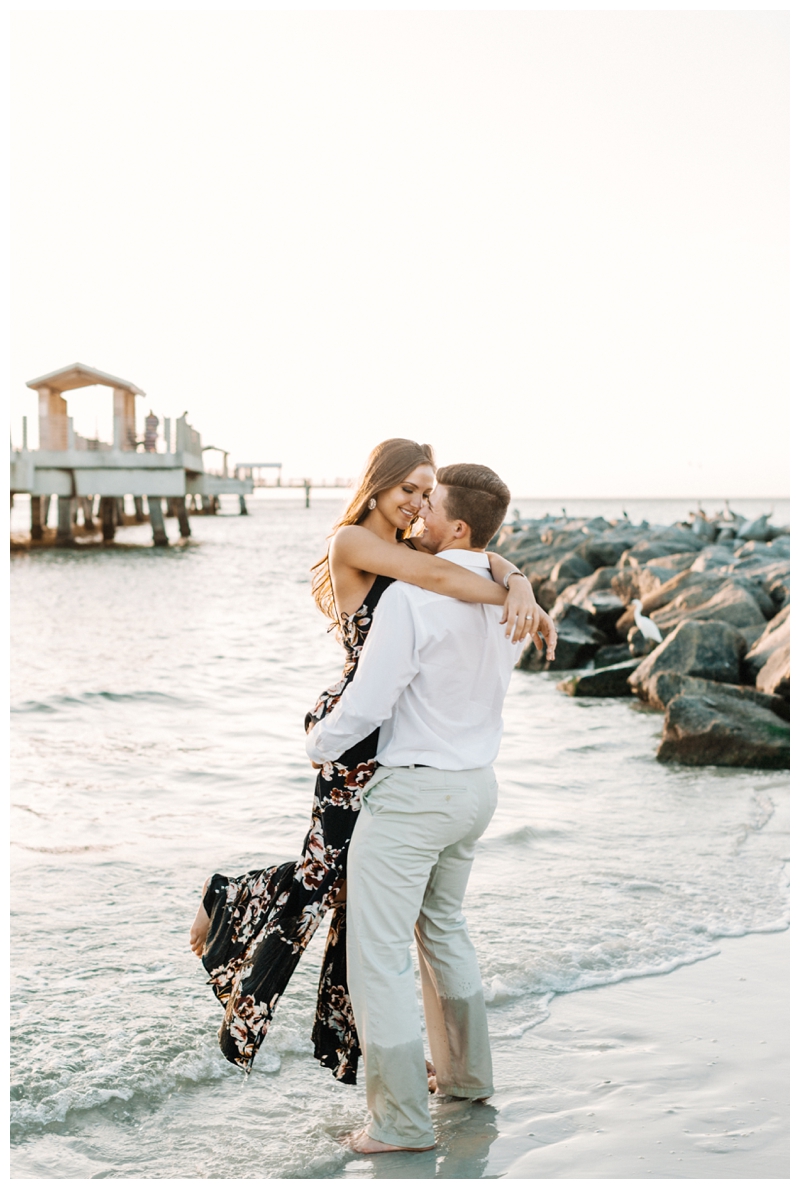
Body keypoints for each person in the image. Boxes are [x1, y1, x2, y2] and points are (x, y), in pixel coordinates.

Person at [189, 439, 555, 1081]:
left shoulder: (414, 545)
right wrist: (515, 600)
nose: (416, 502)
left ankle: (369, 1051)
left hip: (395, 733)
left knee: (352, 888)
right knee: (321, 878)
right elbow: (446, 577)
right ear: (378, 484)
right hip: (357, 730)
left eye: (426, 492)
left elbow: (478, 553)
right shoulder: (352, 543)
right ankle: (227, 905)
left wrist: (519, 579)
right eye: (408, 489)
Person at [305, 462, 531, 1153]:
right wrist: (516, 576)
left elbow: (371, 700)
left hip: (414, 795)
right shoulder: (504, 599)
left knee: (379, 958)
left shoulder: (411, 596)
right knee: (444, 932)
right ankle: (465, 1080)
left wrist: (320, 743)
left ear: (455, 525)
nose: (417, 515)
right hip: (475, 789)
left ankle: (399, 1122)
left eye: (428, 504)